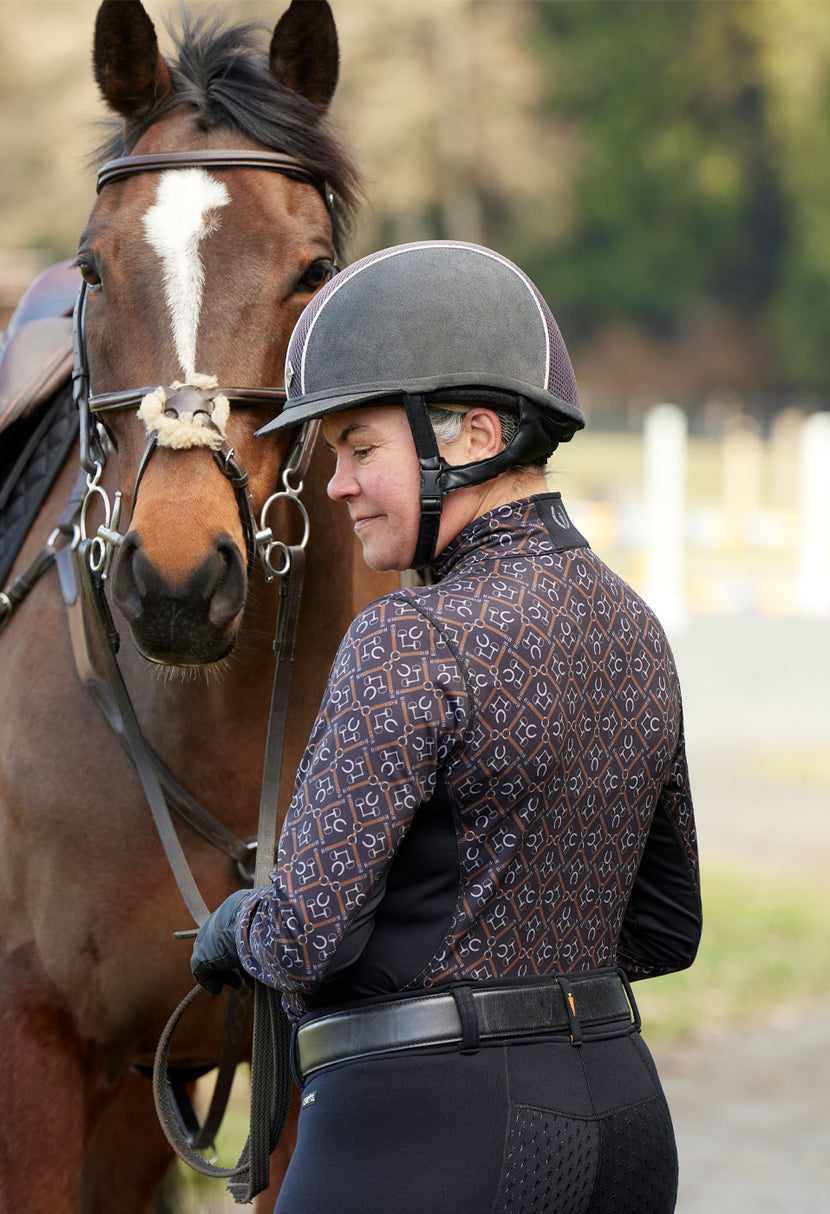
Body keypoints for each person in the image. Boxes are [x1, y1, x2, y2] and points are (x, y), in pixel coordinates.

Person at [190, 240, 701, 1214]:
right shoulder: (634, 624)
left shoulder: (408, 635)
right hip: (624, 1121)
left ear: (472, 434)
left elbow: (301, 940)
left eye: (359, 449)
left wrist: (230, 928)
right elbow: (668, 926)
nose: (335, 484)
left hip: (425, 1134)